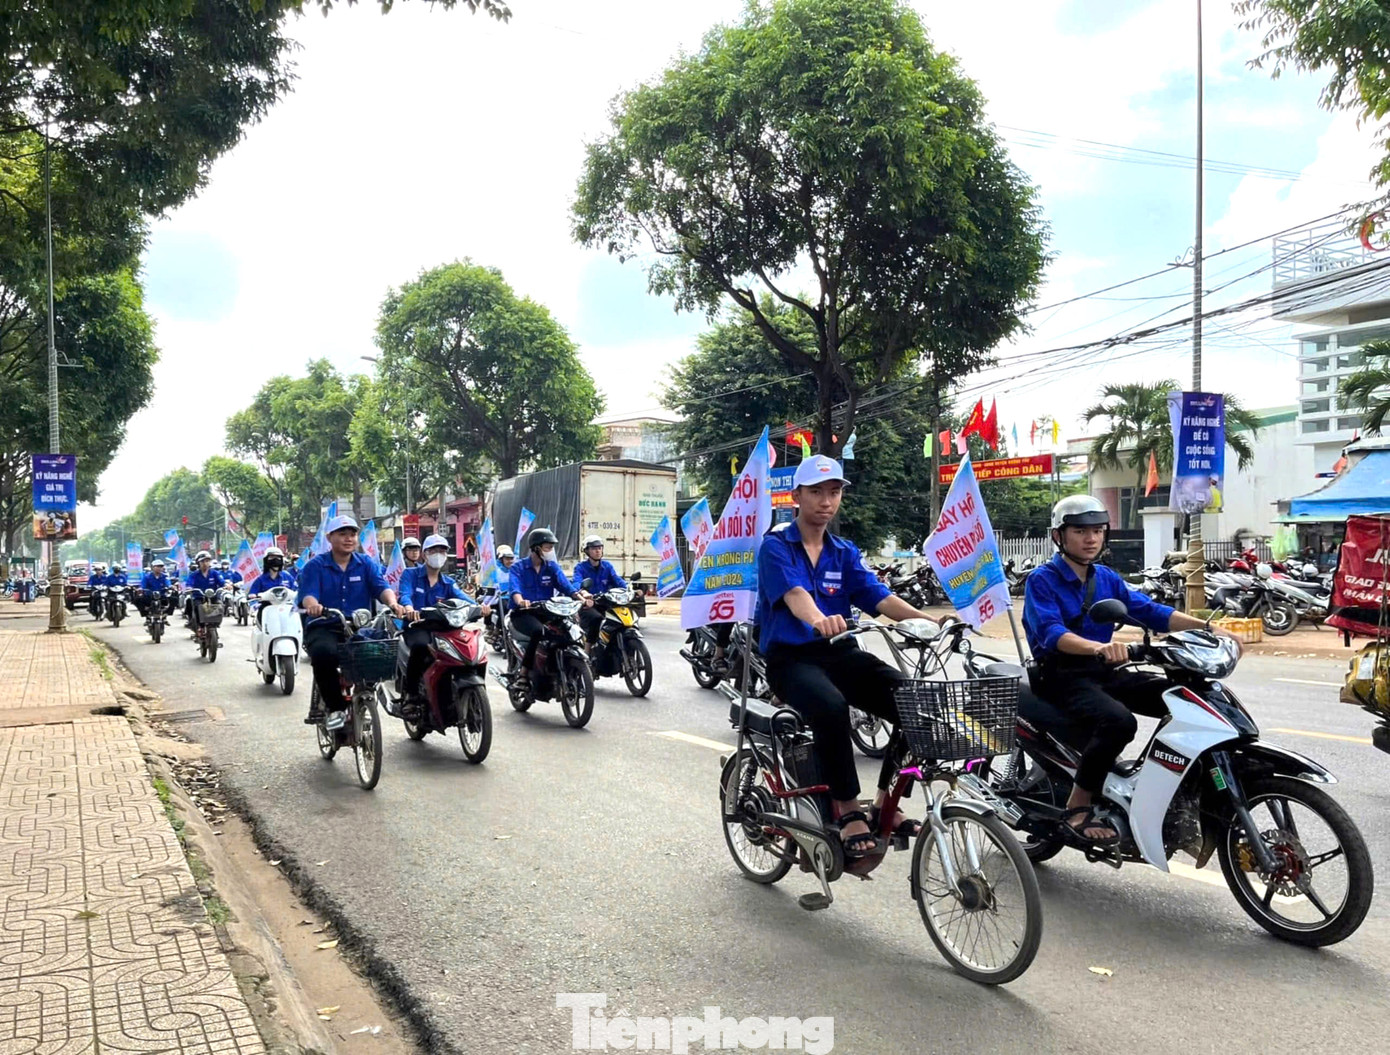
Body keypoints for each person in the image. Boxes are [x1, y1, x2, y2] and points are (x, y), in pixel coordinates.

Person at [1022, 494, 1243, 846]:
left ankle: (1162, 787)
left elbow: (1152, 612)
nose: (1091, 539)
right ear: (1058, 536)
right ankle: (1079, 803)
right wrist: (1098, 647)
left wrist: (1210, 629)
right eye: (1080, 531)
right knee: (1119, 721)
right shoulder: (1042, 580)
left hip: (1104, 670)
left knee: (1185, 699)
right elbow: (1052, 633)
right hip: (1061, 675)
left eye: (1098, 531)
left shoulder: (1106, 578)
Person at [756, 455, 939, 859]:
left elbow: (879, 597)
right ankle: (847, 808)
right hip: (791, 659)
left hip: (840, 652)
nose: (826, 501)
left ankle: (885, 804)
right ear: (796, 496)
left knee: (913, 700)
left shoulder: (843, 551)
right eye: (817, 492)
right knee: (831, 706)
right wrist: (819, 619)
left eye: (834, 492)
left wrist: (929, 621)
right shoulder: (775, 546)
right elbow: (795, 595)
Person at [297, 515, 405, 724]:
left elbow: (381, 588)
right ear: (329, 538)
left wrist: (393, 604)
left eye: (353, 534)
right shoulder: (315, 566)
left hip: (360, 627)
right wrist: (313, 606)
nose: (348, 538)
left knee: (380, 652)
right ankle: (335, 708)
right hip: (325, 625)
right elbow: (308, 595)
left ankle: (365, 692)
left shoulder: (366, 563)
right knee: (323, 655)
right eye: (342, 534)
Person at [396, 534, 490, 719]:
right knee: (420, 647)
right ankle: (411, 695)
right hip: (418, 627)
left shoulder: (448, 583)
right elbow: (405, 594)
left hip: (444, 629)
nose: (438, 554)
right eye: (434, 550)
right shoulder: (410, 575)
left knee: (470, 647)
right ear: (425, 554)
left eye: (442, 550)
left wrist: (480, 608)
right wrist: (409, 608)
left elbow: (463, 599)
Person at [507, 528, 586, 677]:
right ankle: (524, 673)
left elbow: (566, 586)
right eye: (547, 547)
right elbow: (514, 588)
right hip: (523, 613)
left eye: (551, 547)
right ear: (536, 548)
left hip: (547, 611)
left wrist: (581, 599)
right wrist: (521, 601)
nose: (551, 551)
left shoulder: (551, 567)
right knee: (538, 631)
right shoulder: (518, 567)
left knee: (567, 629)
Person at [573, 534, 626, 644]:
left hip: (605, 602)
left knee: (621, 619)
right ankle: (587, 650)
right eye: (594, 548)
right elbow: (576, 583)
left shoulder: (607, 566)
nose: (597, 551)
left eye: (599, 548)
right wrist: (583, 592)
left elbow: (617, 580)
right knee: (597, 619)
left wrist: (630, 589)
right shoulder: (580, 567)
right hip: (588, 604)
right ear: (587, 551)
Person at [182, 551, 224, 625]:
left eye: (207, 561)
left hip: (213, 596)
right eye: (202, 561)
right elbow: (189, 583)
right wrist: (189, 588)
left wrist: (226, 585)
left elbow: (221, 582)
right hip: (199, 597)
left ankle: (216, 623)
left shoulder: (214, 573)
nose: (205, 563)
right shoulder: (194, 575)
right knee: (196, 607)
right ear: (198, 563)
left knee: (220, 606)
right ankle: (197, 624)